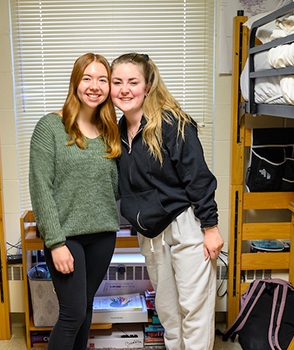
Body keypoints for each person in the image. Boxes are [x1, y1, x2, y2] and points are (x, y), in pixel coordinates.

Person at [111, 53, 224, 350]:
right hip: (150, 234)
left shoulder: (173, 122)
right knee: (169, 313)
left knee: (194, 310)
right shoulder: (118, 132)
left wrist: (210, 227)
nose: (124, 89)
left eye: (132, 82)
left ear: (147, 85)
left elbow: (198, 176)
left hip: (186, 225)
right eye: (117, 82)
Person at [28, 53, 121, 350]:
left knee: (86, 309)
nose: (95, 86)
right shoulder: (50, 128)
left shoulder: (109, 132)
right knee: (72, 314)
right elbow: (41, 187)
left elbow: (114, 188)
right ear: (75, 82)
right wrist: (55, 243)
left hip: (103, 235)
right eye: (87, 78)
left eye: (102, 80)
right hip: (68, 238)